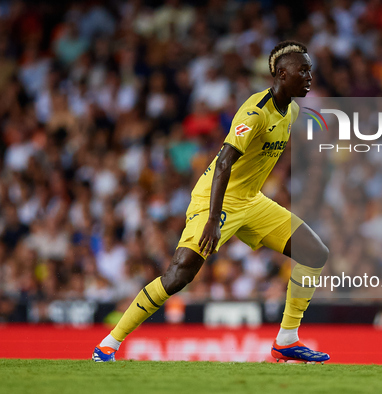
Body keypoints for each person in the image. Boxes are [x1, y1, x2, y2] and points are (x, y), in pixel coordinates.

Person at [92, 41, 330, 364]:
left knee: (314, 252)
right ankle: (108, 343)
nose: (309, 76)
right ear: (282, 74)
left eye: (310, 70)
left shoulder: (293, 111)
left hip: (251, 200)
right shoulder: (255, 111)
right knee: (179, 274)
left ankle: (286, 340)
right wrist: (212, 220)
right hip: (215, 199)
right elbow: (223, 163)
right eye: (303, 70)